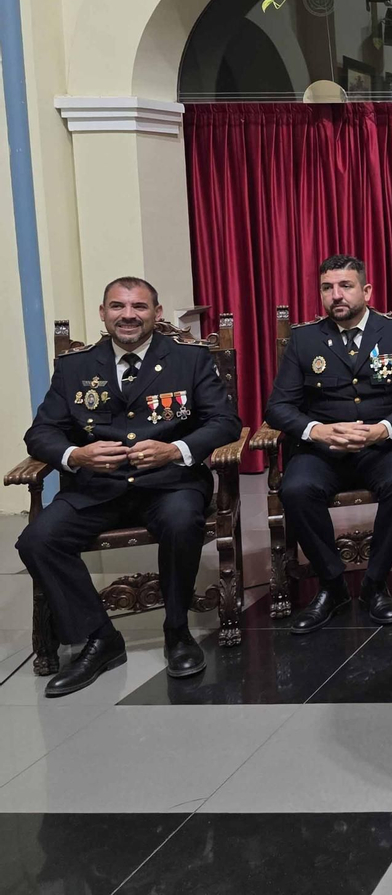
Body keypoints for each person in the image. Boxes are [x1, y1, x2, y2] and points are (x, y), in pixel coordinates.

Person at [19, 277, 243, 694]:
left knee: (181, 522)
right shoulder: (75, 367)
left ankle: (177, 631)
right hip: (96, 487)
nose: (128, 315)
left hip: (169, 483)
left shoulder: (188, 359)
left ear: (156, 314)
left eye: (139, 307)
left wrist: (175, 450)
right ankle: (100, 637)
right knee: (37, 540)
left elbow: (225, 421)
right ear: (102, 313)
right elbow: (41, 432)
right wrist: (76, 455)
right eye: (117, 306)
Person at [264, 253, 392, 632]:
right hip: (323, 452)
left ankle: (375, 583)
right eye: (327, 288)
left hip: (384, 446)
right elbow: (277, 407)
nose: (336, 295)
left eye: (345, 286)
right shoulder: (304, 340)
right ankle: (332, 584)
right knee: (296, 489)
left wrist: (384, 428)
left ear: (366, 291)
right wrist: (315, 431)